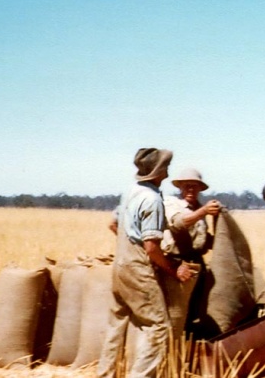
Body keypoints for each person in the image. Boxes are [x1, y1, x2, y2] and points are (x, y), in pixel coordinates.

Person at [97, 148, 194, 378]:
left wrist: (131, 246)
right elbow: (151, 248)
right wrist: (173, 269)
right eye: (165, 167)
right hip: (138, 269)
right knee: (159, 327)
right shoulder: (152, 199)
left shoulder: (131, 191)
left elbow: (114, 225)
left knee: (117, 323)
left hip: (120, 265)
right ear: (158, 171)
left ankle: (106, 374)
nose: (168, 172)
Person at [160, 167, 221, 336]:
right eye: (187, 186)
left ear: (200, 189)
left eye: (194, 186)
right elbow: (178, 224)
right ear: (180, 188)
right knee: (178, 310)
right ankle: (175, 349)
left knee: (196, 307)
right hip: (177, 263)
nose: (190, 190)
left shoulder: (199, 208)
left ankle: (191, 345)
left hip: (197, 263)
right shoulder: (173, 204)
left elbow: (202, 239)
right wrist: (204, 212)